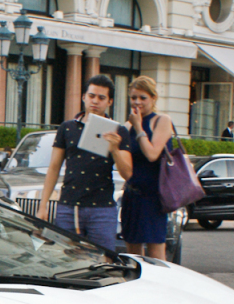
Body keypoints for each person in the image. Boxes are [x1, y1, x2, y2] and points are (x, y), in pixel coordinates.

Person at [35, 75, 122, 252]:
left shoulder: (117, 131)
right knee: (65, 258)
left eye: (101, 97)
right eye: (91, 96)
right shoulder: (67, 128)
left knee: (104, 260)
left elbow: (126, 171)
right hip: (69, 205)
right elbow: (54, 167)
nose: (95, 101)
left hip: (102, 207)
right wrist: (43, 205)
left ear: (110, 101)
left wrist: (115, 148)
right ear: (84, 97)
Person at [111, 76, 174, 259]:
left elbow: (152, 154)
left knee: (155, 255)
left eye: (143, 98)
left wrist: (139, 127)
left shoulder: (161, 120)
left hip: (153, 196)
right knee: (133, 254)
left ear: (153, 99)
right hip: (132, 193)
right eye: (133, 97)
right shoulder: (127, 125)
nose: (137, 102)